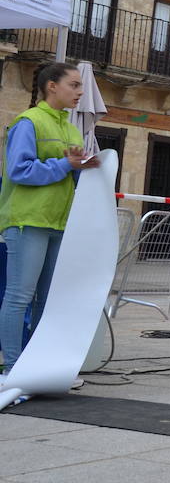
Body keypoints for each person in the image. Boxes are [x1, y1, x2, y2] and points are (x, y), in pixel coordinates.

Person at [0, 63, 101, 374]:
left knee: (47, 299)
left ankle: (39, 361)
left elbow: (70, 173)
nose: (80, 92)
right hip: (28, 220)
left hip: (59, 223)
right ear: (51, 86)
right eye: (73, 85)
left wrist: (91, 171)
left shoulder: (71, 128)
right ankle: (14, 366)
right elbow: (19, 170)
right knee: (19, 296)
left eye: (81, 86)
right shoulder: (28, 122)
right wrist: (66, 164)